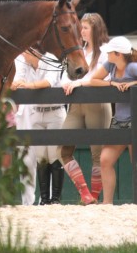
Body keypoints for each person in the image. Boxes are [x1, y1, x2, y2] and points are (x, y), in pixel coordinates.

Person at [59, 12, 112, 205]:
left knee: (97, 154)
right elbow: (65, 76)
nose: (81, 31)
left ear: (96, 30)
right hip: (75, 104)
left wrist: (80, 82)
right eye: (81, 27)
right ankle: (85, 194)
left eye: (85, 28)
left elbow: (104, 77)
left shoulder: (106, 51)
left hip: (97, 104)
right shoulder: (77, 50)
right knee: (63, 148)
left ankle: (95, 196)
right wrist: (68, 82)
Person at [11, 50, 66, 205]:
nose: (22, 54)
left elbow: (48, 82)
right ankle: (44, 199)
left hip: (54, 112)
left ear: (34, 52)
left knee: (54, 156)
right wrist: (17, 84)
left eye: (25, 52)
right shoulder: (24, 63)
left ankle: (55, 199)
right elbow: (16, 81)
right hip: (36, 112)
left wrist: (27, 85)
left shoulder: (51, 59)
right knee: (41, 156)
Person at [87, 36, 137, 204]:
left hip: (134, 120)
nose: (106, 54)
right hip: (119, 120)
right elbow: (93, 80)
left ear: (118, 54)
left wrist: (133, 84)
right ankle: (107, 203)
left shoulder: (132, 68)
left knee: (134, 161)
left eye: (109, 52)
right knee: (105, 160)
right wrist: (112, 84)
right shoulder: (110, 65)